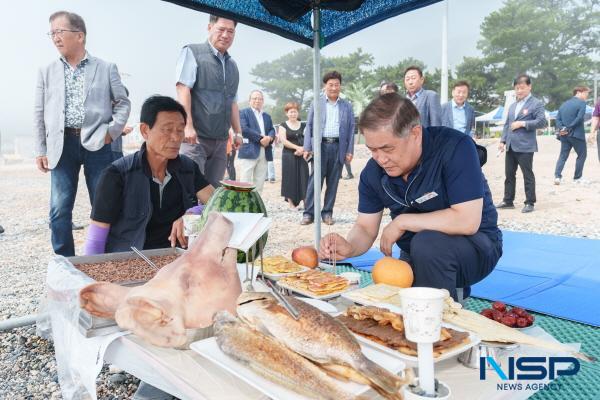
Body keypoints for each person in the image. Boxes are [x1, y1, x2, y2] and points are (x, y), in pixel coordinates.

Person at [319, 94, 502, 301]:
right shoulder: (373, 173)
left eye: (387, 148)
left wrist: (403, 221)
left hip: (477, 246)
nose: (381, 159)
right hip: (416, 253)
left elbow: (467, 220)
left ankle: (438, 322)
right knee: (393, 298)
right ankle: (445, 292)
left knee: (427, 244)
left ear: (415, 133)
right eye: (372, 150)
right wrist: (349, 247)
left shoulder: (455, 147)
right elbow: (365, 227)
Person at [34, 11, 131, 257]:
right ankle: (64, 261)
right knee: (59, 210)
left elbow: (123, 103)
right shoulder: (46, 71)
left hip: (98, 144)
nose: (54, 37)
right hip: (61, 144)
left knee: (104, 205)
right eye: (51, 33)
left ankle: (106, 258)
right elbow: (39, 111)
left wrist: (111, 132)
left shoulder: (106, 67)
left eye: (59, 31)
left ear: (79, 35)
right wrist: (41, 149)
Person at [83, 95, 213, 255]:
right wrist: (91, 277)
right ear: (145, 130)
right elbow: (96, 239)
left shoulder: (187, 168)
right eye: (167, 129)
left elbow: (219, 204)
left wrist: (196, 211)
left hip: (175, 260)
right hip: (129, 262)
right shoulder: (117, 174)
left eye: (180, 130)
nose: (176, 137)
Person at [175, 14, 242, 187]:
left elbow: (232, 101)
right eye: (221, 29)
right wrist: (188, 126)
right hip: (196, 138)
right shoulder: (193, 52)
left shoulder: (232, 65)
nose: (226, 35)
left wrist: (238, 132)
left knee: (212, 193)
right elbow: (183, 89)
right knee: (189, 190)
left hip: (220, 141)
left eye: (231, 31)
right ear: (209, 27)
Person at [302, 71, 355, 226]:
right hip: (320, 147)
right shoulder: (316, 103)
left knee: (333, 183)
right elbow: (309, 125)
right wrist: (307, 147)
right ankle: (308, 213)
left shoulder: (346, 105)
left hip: (339, 147)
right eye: (330, 85)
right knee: (314, 181)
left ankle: (327, 213)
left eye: (336, 84)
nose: (333, 88)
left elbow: (352, 128)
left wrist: (349, 150)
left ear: (340, 86)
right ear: (325, 86)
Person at [496, 74, 547, 213]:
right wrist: (502, 140)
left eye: (522, 88)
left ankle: (530, 202)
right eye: (517, 88)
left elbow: (542, 122)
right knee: (509, 174)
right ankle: (508, 200)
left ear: (529, 87)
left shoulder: (536, 103)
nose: (519, 91)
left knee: (527, 174)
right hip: (511, 145)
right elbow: (507, 124)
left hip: (525, 146)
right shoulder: (513, 106)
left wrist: (522, 123)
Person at [238, 90, 275, 193]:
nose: (257, 101)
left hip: (264, 150)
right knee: (245, 181)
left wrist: (270, 138)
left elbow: (272, 129)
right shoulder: (243, 112)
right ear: (249, 100)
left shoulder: (267, 116)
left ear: (263, 101)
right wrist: (260, 139)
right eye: (254, 98)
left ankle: (256, 206)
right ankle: (244, 206)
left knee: (260, 181)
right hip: (249, 150)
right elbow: (244, 129)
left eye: (260, 99)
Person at [553, 86, 590, 184]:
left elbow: (558, 119)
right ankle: (577, 178)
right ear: (578, 92)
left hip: (564, 134)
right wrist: (569, 127)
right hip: (576, 134)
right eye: (586, 93)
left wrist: (562, 128)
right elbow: (579, 117)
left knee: (563, 156)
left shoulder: (564, 104)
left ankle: (557, 177)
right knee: (582, 155)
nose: (587, 95)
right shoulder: (582, 103)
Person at [279, 102, 309, 209]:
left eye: (295, 111)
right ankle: (291, 203)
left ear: (298, 113)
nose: (293, 114)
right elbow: (283, 140)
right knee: (289, 178)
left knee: (304, 177)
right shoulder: (283, 125)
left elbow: (308, 139)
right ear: (287, 113)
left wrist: (302, 149)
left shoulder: (304, 125)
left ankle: (306, 202)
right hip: (288, 155)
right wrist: (296, 148)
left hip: (302, 154)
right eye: (290, 112)